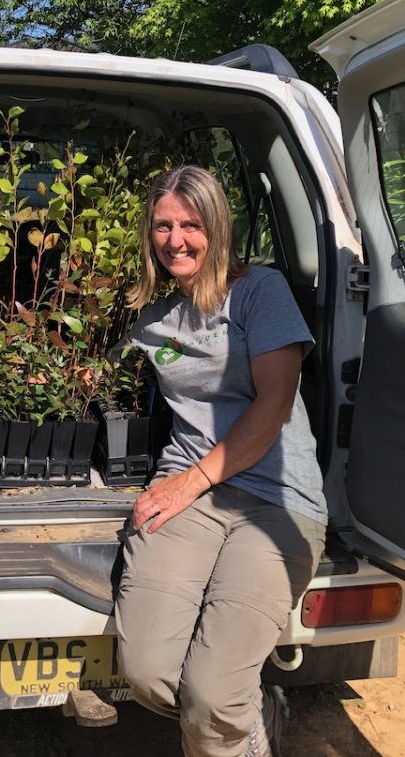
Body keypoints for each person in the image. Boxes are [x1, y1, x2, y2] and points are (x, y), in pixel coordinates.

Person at [115, 165, 328, 757]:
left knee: (213, 696)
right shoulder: (153, 321)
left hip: (276, 501)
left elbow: (275, 405)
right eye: (163, 225)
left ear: (217, 228)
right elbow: (94, 368)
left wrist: (190, 482)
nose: (175, 239)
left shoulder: (261, 291)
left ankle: (241, 726)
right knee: (148, 676)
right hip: (192, 498)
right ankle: (246, 713)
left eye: (190, 224)